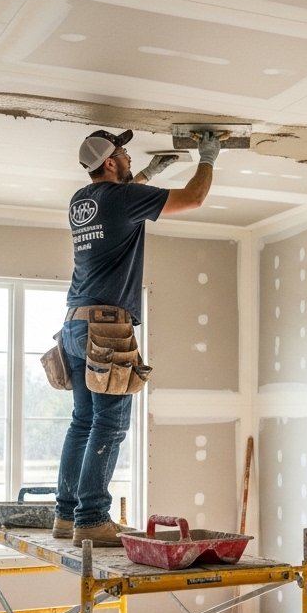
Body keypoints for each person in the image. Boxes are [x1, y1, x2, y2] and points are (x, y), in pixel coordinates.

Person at [54, 128, 223, 546]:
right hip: (106, 327)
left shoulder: (81, 201)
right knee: (109, 423)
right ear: (110, 162)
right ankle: (91, 518)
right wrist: (209, 158)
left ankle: (66, 514)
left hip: (74, 325)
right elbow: (194, 198)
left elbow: (120, 199)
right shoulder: (123, 199)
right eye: (124, 153)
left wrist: (146, 172)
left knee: (82, 422)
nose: (129, 156)